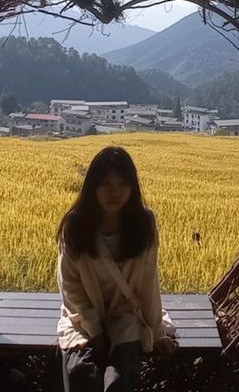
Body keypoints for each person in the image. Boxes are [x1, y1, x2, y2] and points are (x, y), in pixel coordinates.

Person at [55, 146, 177, 392]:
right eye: (106, 184)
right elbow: (70, 287)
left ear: (133, 188)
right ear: (93, 187)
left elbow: (148, 283)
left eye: (122, 184)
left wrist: (157, 331)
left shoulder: (144, 225)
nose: (115, 192)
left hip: (127, 320)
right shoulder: (75, 226)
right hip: (83, 320)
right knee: (81, 375)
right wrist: (95, 329)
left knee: (117, 385)